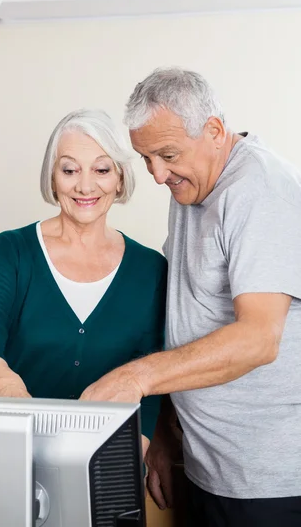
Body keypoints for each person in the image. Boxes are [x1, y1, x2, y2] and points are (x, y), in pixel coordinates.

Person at [80, 68, 301, 526]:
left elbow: (259, 338)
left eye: (167, 155)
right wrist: (162, 430)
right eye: (146, 158)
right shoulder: (192, 181)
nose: (158, 174)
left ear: (215, 131)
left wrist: (137, 380)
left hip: (266, 480)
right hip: (207, 465)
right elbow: (186, 314)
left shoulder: (259, 191)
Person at [0, 108, 167, 454]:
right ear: (52, 178)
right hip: (17, 450)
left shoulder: (150, 269)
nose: (85, 185)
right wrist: (6, 386)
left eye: (101, 169)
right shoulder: (12, 251)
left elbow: (152, 370)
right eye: (69, 169)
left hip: (110, 458)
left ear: (119, 178)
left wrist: (138, 453)